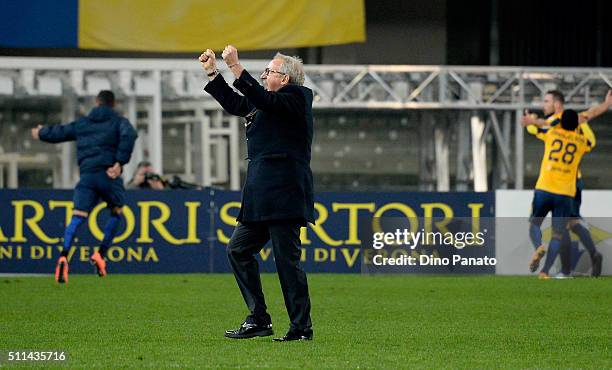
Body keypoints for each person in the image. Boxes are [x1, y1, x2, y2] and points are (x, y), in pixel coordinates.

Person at [199, 45, 314, 341]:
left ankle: (301, 328)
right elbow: (237, 103)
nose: (263, 76)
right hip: (261, 195)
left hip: (284, 194)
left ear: (285, 79)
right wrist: (213, 72)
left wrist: (236, 67)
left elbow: (258, 97)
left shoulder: (298, 98)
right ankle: (259, 318)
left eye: (269, 71)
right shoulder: (266, 104)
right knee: (238, 250)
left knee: (286, 262)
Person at [31, 90, 137, 283]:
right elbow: (129, 135)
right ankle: (100, 254)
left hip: (87, 177)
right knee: (116, 211)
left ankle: (63, 256)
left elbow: (60, 132)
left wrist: (41, 132)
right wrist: (119, 162)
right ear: (113, 104)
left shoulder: (83, 124)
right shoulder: (119, 122)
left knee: (77, 217)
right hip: (108, 175)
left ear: (97, 103)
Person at [522, 89, 611, 277]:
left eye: (546, 101)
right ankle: (571, 266)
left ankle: (566, 269)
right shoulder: (577, 122)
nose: (544, 105)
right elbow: (590, 131)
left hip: (567, 182)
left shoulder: (556, 124)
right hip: (567, 185)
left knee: (564, 225)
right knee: (569, 223)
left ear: (557, 104)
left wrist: (531, 121)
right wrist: (606, 104)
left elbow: (541, 126)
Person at [524, 110, 593, 279]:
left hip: (545, 188)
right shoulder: (581, 142)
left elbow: (536, 128)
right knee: (558, 234)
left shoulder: (552, 133)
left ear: (561, 121)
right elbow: (591, 142)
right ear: (576, 125)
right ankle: (545, 271)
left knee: (534, 224)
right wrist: (584, 121)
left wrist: (531, 120)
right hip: (565, 193)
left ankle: (538, 246)